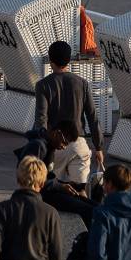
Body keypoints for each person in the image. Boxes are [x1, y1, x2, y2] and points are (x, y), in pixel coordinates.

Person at [34, 40, 104, 169]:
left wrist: (40, 145)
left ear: (51, 60)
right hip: (78, 144)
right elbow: (92, 116)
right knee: (80, 187)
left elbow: (41, 119)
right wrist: (98, 147)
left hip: (55, 146)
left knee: (52, 185)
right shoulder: (82, 83)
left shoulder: (43, 85)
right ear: (69, 60)